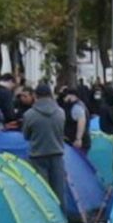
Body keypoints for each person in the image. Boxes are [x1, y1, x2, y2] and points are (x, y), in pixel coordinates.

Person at [20, 84, 70, 212]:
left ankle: (48, 220)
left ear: (35, 96)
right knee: (59, 191)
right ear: (51, 95)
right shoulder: (61, 112)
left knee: (42, 191)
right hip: (57, 154)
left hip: (37, 156)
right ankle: (62, 220)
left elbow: (26, 136)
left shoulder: (29, 114)